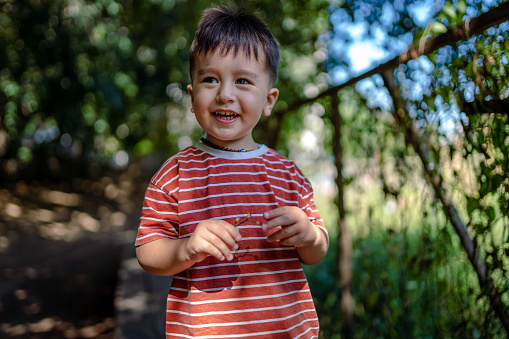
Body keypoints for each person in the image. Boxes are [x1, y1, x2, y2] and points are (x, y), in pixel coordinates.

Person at [135, 3, 329, 338]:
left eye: (242, 81)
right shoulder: (175, 173)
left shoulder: (288, 174)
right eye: (210, 79)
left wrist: (309, 235)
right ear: (193, 95)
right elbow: (148, 251)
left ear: (269, 100)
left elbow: (317, 249)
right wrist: (186, 248)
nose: (225, 94)